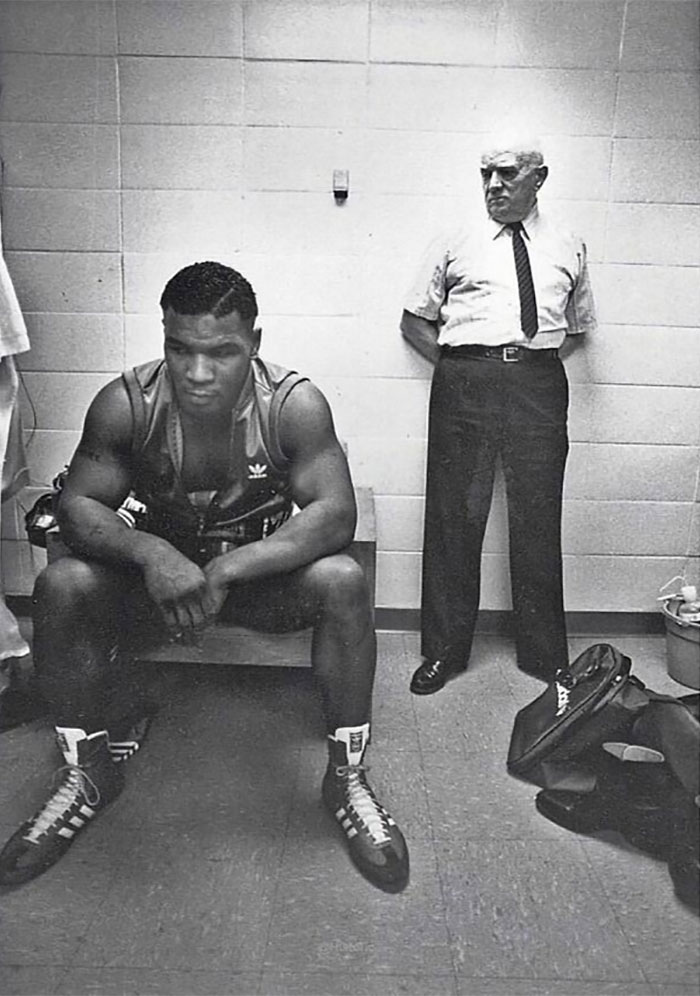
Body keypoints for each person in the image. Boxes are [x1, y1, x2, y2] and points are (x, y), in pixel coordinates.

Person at [0, 261, 409, 893]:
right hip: (156, 589)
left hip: (253, 584)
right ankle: (88, 771)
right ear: (164, 337)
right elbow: (79, 505)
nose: (197, 372)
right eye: (180, 349)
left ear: (254, 343)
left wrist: (226, 569)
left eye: (221, 352)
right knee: (62, 584)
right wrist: (150, 554)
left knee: (343, 580)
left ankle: (347, 776)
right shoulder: (127, 402)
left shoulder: (293, 405)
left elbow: (335, 513)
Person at [402, 133, 596, 696]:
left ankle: (544, 656)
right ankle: (443, 652)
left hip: (538, 383)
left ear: (539, 178)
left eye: (507, 173)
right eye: (486, 173)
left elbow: (577, 327)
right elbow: (414, 321)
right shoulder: (455, 240)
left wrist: (525, 363)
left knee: (538, 515)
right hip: (465, 380)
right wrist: (467, 366)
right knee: (454, 516)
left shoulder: (568, 244)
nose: (493, 185)